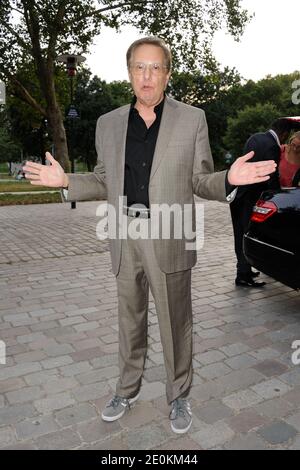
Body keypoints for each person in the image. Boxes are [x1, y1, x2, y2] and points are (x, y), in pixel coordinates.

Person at [23, 37, 276, 434]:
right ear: (129, 73)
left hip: (172, 233)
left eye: (156, 68)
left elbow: (199, 180)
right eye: (140, 67)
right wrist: (66, 179)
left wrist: (228, 178)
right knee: (129, 320)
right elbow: (104, 180)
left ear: (167, 74)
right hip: (124, 235)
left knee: (177, 322)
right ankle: (127, 388)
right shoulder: (107, 124)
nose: (147, 75)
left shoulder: (192, 119)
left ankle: (178, 397)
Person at [230, 119, 292, 288]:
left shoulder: (256, 137)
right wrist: (280, 195)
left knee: (240, 234)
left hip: (238, 195)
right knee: (247, 234)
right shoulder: (272, 146)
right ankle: (243, 276)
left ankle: (245, 269)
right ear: (284, 134)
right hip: (250, 198)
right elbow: (271, 177)